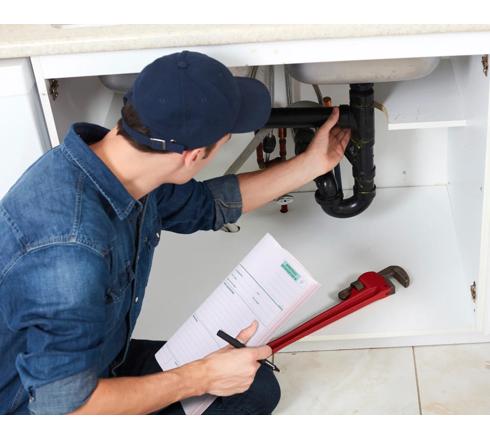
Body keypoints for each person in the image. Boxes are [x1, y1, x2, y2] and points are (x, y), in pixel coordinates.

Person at [0, 51, 350, 415]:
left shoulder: (116, 165)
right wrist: (201, 377)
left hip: (96, 365)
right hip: (33, 409)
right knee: (226, 386)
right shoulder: (70, 251)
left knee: (253, 387)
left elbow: (206, 205)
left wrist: (310, 164)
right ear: (192, 156)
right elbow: (64, 412)